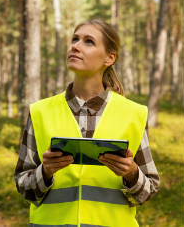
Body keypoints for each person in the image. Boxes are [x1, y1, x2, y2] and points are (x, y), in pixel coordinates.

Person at [14, 19, 159, 226]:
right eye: (75, 39)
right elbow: (23, 185)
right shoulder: (40, 111)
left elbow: (148, 191)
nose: (75, 46)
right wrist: (44, 172)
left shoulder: (133, 113)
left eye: (88, 41)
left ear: (109, 58)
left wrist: (131, 173)